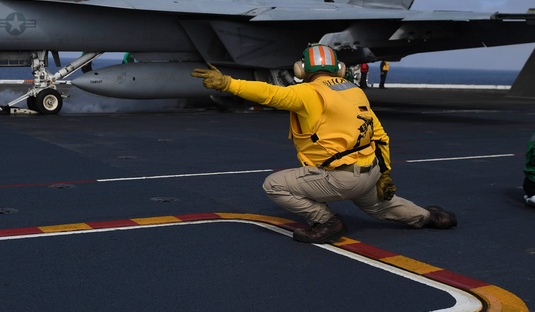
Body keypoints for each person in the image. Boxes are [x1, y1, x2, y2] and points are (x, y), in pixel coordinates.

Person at [191, 44, 457, 243]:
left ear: (301, 69)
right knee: (382, 205)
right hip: (370, 171)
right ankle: (430, 217)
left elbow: (270, 94)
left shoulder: (308, 92)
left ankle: (327, 222)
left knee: (274, 185)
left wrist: (228, 83)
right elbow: (380, 134)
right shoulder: (354, 89)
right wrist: (384, 174)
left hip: (341, 177)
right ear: (339, 68)